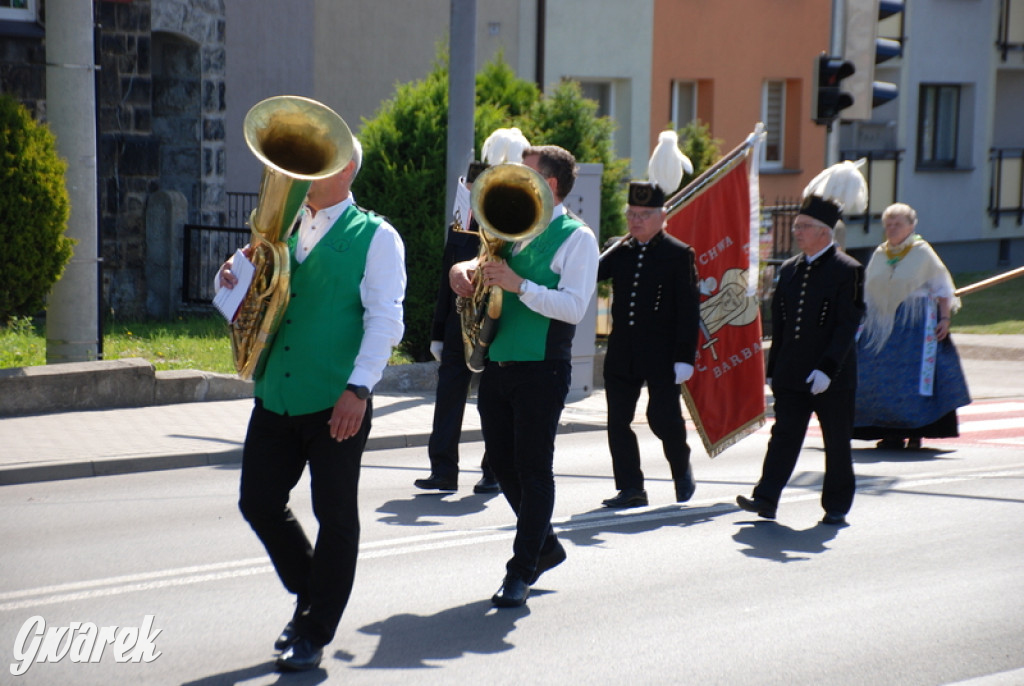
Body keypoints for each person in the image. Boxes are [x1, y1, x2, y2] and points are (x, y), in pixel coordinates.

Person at [217, 137, 406, 672]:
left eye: (316, 164)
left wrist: (360, 389)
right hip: (277, 391)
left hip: (335, 400)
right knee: (257, 500)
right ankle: (314, 594)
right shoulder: (282, 226)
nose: (300, 173)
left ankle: (314, 629)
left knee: (335, 516)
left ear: (346, 170)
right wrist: (229, 278)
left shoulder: (377, 236)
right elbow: (243, 288)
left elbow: (385, 320)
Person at [450, 144, 599, 607]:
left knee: (534, 471)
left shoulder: (578, 238)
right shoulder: (516, 227)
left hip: (543, 368)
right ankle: (545, 544)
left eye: (526, 173)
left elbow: (575, 306)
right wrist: (464, 268)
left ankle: (521, 568)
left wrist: (521, 286)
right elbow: (486, 260)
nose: (515, 179)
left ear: (550, 186)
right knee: (500, 461)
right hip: (497, 362)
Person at [736, 161, 866, 527]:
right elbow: (782, 324)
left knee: (836, 444)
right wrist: (774, 370)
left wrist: (827, 369)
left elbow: (847, 324)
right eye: (796, 226)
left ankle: (837, 505)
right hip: (793, 374)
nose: (796, 231)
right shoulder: (790, 269)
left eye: (803, 227)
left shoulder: (848, 270)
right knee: (783, 437)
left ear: (825, 233)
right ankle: (766, 497)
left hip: (833, 377)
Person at [598, 131, 700, 509]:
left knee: (663, 419)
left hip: (661, 354)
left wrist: (685, 357)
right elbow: (589, 273)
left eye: (643, 216)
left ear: (662, 216)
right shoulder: (620, 249)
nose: (635, 221)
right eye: (631, 215)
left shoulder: (678, 254)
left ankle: (680, 466)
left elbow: (689, 307)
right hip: (623, 350)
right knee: (618, 422)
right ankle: (631, 488)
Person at [853, 202, 971, 450]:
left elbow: (942, 288)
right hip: (883, 326)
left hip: (915, 325)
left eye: (898, 223)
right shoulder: (880, 254)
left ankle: (917, 431)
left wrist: (944, 319)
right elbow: (867, 292)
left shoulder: (922, 253)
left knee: (914, 380)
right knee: (880, 378)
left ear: (911, 226)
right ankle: (890, 432)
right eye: (888, 224)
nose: (892, 228)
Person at [414, 160, 499, 494]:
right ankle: (443, 470)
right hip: (457, 324)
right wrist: (437, 332)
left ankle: (494, 470)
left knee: (492, 401)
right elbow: (445, 279)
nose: (471, 195)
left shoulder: (509, 227)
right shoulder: (461, 226)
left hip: (496, 324)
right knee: (448, 395)